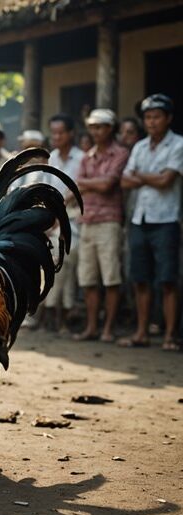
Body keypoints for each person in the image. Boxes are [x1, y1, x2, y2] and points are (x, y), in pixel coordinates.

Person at [119, 94, 182, 351]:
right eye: (148, 117)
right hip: (139, 219)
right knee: (140, 279)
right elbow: (124, 181)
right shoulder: (140, 147)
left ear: (168, 118)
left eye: (156, 116)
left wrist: (140, 177)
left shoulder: (178, 144)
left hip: (166, 219)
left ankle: (169, 335)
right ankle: (142, 332)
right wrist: (151, 177)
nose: (151, 121)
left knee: (167, 280)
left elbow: (166, 181)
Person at [73, 108, 130, 343]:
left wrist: (87, 183)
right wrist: (90, 184)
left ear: (110, 128)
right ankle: (92, 327)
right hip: (88, 221)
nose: (95, 132)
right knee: (88, 279)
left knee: (111, 279)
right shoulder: (88, 156)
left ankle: (107, 328)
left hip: (109, 221)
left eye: (100, 127)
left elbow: (108, 185)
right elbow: (79, 185)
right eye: (92, 127)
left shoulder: (121, 153)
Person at [40, 113, 85, 334]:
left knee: (66, 264)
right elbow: (47, 189)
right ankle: (55, 316)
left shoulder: (82, 157)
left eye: (60, 132)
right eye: (53, 132)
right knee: (55, 265)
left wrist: (59, 216)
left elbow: (77, 191)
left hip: (75, 219)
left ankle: (59, 315)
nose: (56, 136)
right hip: (53, 219)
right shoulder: (53, 158)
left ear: (70, 134)